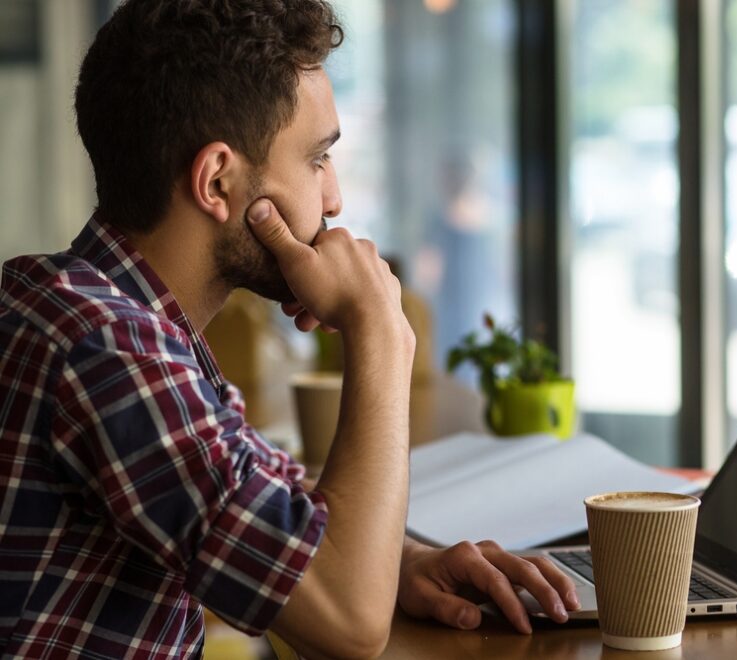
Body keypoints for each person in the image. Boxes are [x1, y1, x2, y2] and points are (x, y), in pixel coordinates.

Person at [0, 1, 579, 658]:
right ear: (217, 180)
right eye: (316, 160)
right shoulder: (105, 347)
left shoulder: (109, 316)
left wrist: (405, 561)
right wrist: (380, 335)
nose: (334, 199)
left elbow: (263, 491)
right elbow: (348, 626)